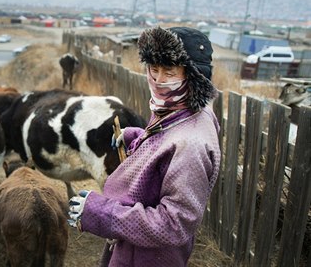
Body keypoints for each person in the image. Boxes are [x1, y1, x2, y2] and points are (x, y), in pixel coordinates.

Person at [68, 26, 221, 267]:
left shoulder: (191, 144)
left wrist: (102, 213)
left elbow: (173, 224)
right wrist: (138, 138)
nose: (159, 80)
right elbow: (168, 146)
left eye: (169, 71)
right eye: (153, 69)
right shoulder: (179, 107)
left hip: (148, 258)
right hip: (134, 245)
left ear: (194, 75)